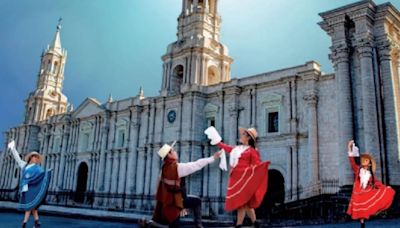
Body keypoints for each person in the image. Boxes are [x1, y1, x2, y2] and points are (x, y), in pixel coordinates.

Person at [205, 126, 270, 228]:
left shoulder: (252, 151)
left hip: (244, 179)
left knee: (243, 202)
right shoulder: (237, 149)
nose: (241, 135)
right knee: (243, 203)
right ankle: (254, 223)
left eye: (244, 134)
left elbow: (257, 164)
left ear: (248, 138)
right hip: (235, 178)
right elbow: (226, 147)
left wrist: (262, 167)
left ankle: (240, 225)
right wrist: (216, 141)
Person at [151, 141, 221, 228]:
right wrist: (213, 157)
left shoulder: (164, 169)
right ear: (169, 155)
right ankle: (198, 225)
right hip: (176, 202)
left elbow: (159, 186)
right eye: (173, 151)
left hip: (167, 202)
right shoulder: (178, 168)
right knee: (196, 202)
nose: (175, 152)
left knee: (195, 202)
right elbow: (196, 165)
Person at [346, 140, 395, 228]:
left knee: (367, 208)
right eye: (363, 160)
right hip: (357, 193)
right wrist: (349, 148)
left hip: (366, 192)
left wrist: (386, 188)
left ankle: (368, 219)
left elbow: (377, 183)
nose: (364, 162)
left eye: (366, 161)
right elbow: (352, 162)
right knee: (360, 211)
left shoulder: (370, 175)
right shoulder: (358, 170)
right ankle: (362, 224)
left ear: (369, 164)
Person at [7, 140, 52, 228]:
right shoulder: (24, 165)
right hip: (25, 189)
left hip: (33, 189)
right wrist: (13, 149)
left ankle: (24, 224)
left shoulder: (38, 168)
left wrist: (48, 173)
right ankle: (37, 222)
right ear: (31, 158)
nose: (35, 159)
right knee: (33, 207)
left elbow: (42, 176)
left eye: (37, 158)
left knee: (29, 207)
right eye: (34, 157)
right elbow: (17, 158)